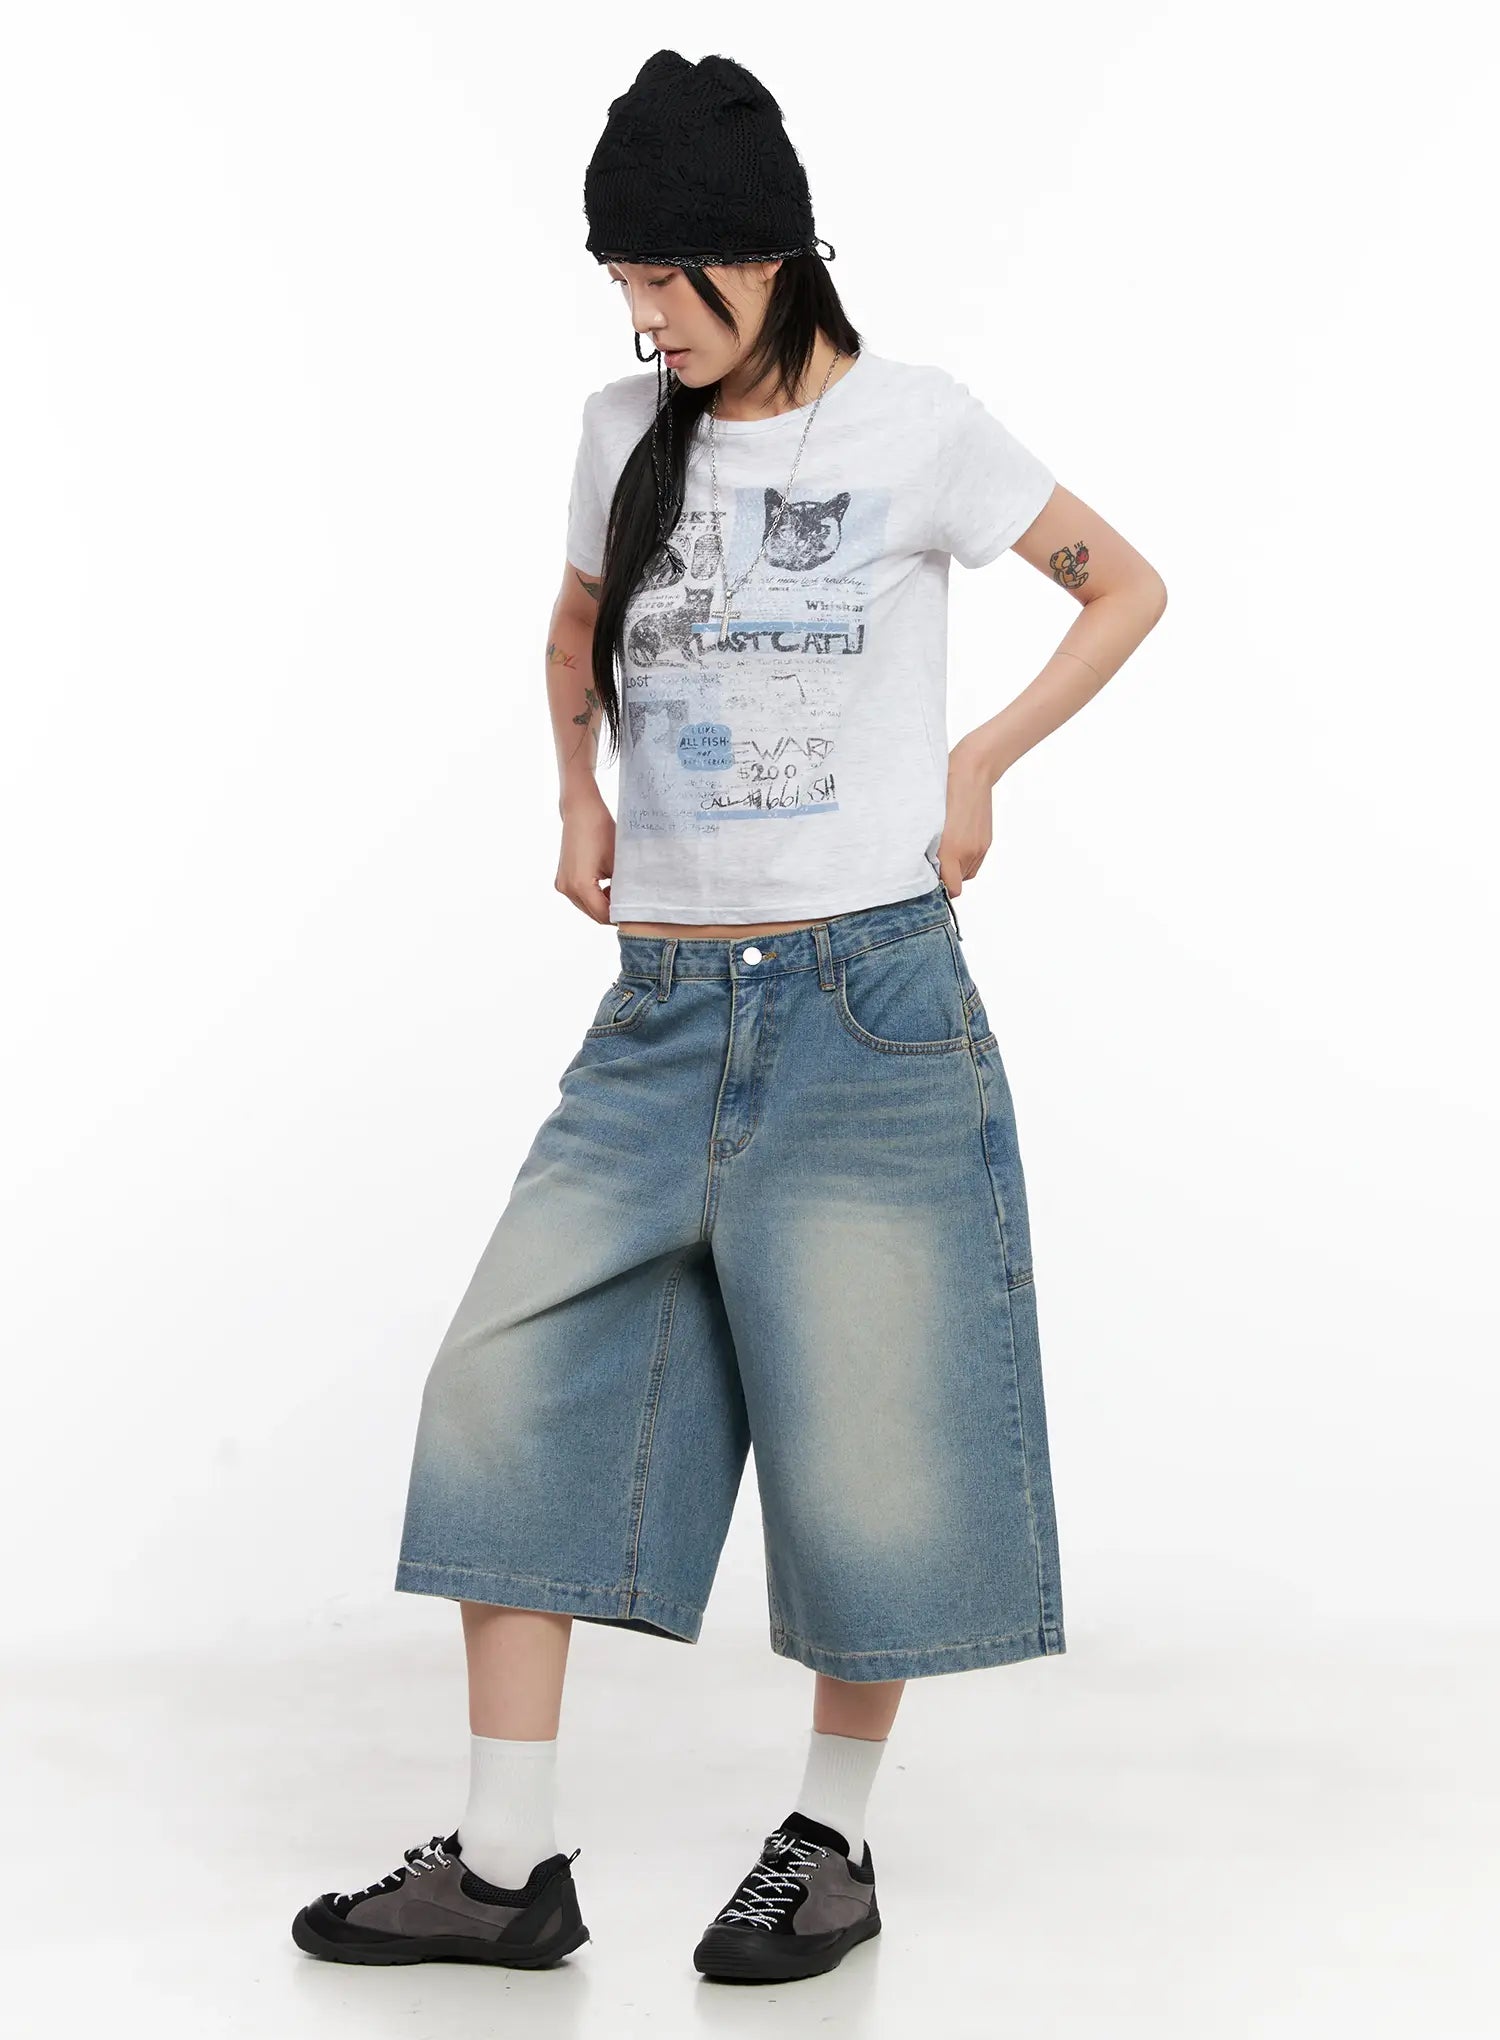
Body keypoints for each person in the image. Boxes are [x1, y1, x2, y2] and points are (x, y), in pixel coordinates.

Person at [291, 48, 1167, 1987]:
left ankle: (828, 1844)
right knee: (504, 1388)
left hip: (870, 1007)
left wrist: (979, 766)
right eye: (621, 282)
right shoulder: (622, 428)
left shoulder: (921, 427)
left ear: (767, 257)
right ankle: (505, 1867)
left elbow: (1123, 588)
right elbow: (572, 627)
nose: (645, 319)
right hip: (659, 1013)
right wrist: (578, 795)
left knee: (874, 1439)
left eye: (668, 280)